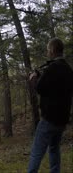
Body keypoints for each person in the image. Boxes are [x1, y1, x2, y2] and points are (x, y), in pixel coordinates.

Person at [27, 38, 73, 173]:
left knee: (36, 152)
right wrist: (42, 75)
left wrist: (34, 79)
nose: (48, 52)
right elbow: (57, 86)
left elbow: (40, 88)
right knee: (54, 149)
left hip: (49, 119)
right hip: (62, 120)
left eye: (48, 50)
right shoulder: (68, 69)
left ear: (52, 50)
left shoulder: (51, 68)